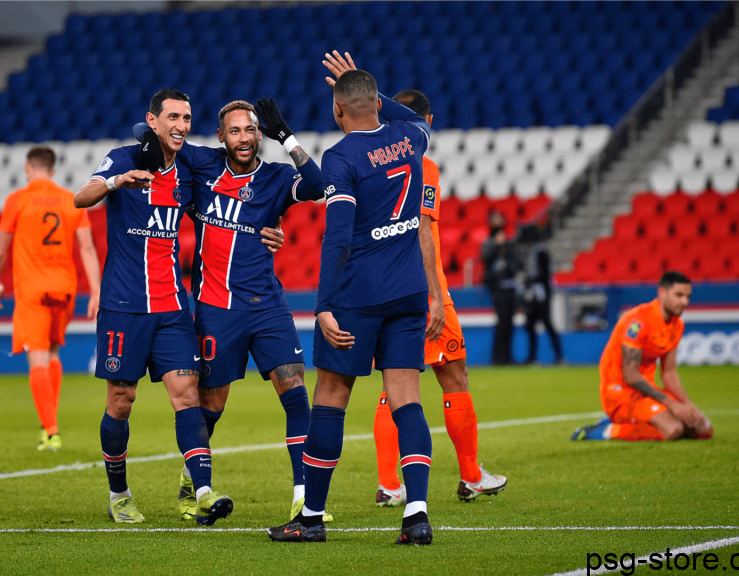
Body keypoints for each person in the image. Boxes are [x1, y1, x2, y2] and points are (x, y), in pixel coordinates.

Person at [269, 53, 438, 546]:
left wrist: (323, 305)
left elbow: (337, 238)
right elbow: (408, 116)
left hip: (358, 298)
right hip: (410, 292)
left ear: (338, 111)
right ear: (375, 104)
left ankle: (312, 518)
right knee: (407, 402)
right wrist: (369, 91)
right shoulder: (412, 139)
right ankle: (417, 515)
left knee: (331, 400)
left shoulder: (341, 158)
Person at [134, 98, 327, 522]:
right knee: (212, 404)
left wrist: (286, 136)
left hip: (268, 307)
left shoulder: (276, 177)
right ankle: (193, 481)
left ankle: (303, 497)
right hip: (216, 308)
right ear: (221, 136)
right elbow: (147, 135)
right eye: (235, 131)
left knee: (295, 393)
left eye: (251, 130)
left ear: (260, 135)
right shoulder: (203, 164)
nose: (244, 137)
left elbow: (318, 185)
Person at [73, 89, 232, 526]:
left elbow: (231, 204)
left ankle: (201, 491)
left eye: (187, 117)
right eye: (173, 117)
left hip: (172, 308)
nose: (181, 125)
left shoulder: (189, 170)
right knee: (121, 400)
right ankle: (119, 493)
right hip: (124, 306)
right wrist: (114, 182)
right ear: (153, 120)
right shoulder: (123, 158)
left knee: (187, 395)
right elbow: (80, 198)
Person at [371, 89, 507, 508]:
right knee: (454, 374)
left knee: (394, 383)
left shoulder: (371, 165)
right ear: (426, 120)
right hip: (422, 287)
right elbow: (420, 227)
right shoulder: (422, 164)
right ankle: (470, 476)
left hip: (380, 286)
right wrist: (434, 294)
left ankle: (389, 483)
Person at [0, 146, 101, 452]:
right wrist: (96, 291)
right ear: (52, 170)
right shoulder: (71, 199)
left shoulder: (17, 200)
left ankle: (50, 431)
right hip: (64, 288)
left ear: (27, 168)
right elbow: (88, 249)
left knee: (36, 355)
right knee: (51, 353)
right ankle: (47, 426)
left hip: (32, 290)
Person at [572, 271, 713, 441]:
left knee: (703, 429)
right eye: (679, 295)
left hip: (646, 392)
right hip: (619, 393)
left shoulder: (677, 325)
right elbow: (630, 375)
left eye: (688, 296)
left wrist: (686, 404)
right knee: (673, 429)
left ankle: (636, 422)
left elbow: (668, 372)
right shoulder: (637, 321)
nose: (685, 302)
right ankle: (605, 430)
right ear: (662, 293)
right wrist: (672, 404)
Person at [518, 224, 563, 364]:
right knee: (531, 326)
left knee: (547, 324)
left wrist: (533, 284)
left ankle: (558, 356)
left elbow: (545, 275)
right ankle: (532, 357)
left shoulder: (541, 251)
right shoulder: (531, 251)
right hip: (533, 295)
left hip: (541, 295)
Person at [481, 211, 521, 365]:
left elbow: (516, 263)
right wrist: (497, 246)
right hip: (497, 288)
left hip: (510, 287)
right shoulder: (489, 243)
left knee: (509, 322)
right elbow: (486, 259)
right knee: (502, 322)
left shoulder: (509, 243)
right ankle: (498, 357)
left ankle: (508, 356)